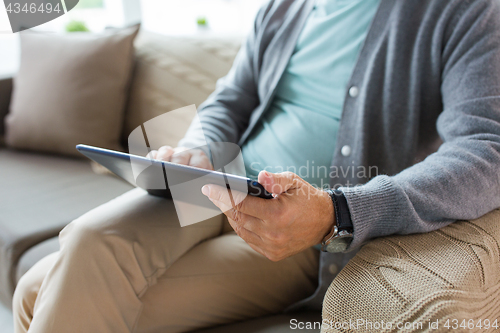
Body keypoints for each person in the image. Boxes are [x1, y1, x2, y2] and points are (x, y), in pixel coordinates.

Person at [13, 0, 500, 332]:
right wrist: (197, 147)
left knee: (39, 292)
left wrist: (339, 211)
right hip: (216, 182)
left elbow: (486, 148)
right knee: (87, 238)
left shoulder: (465, 11)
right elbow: (232, 96)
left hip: (305, 228)